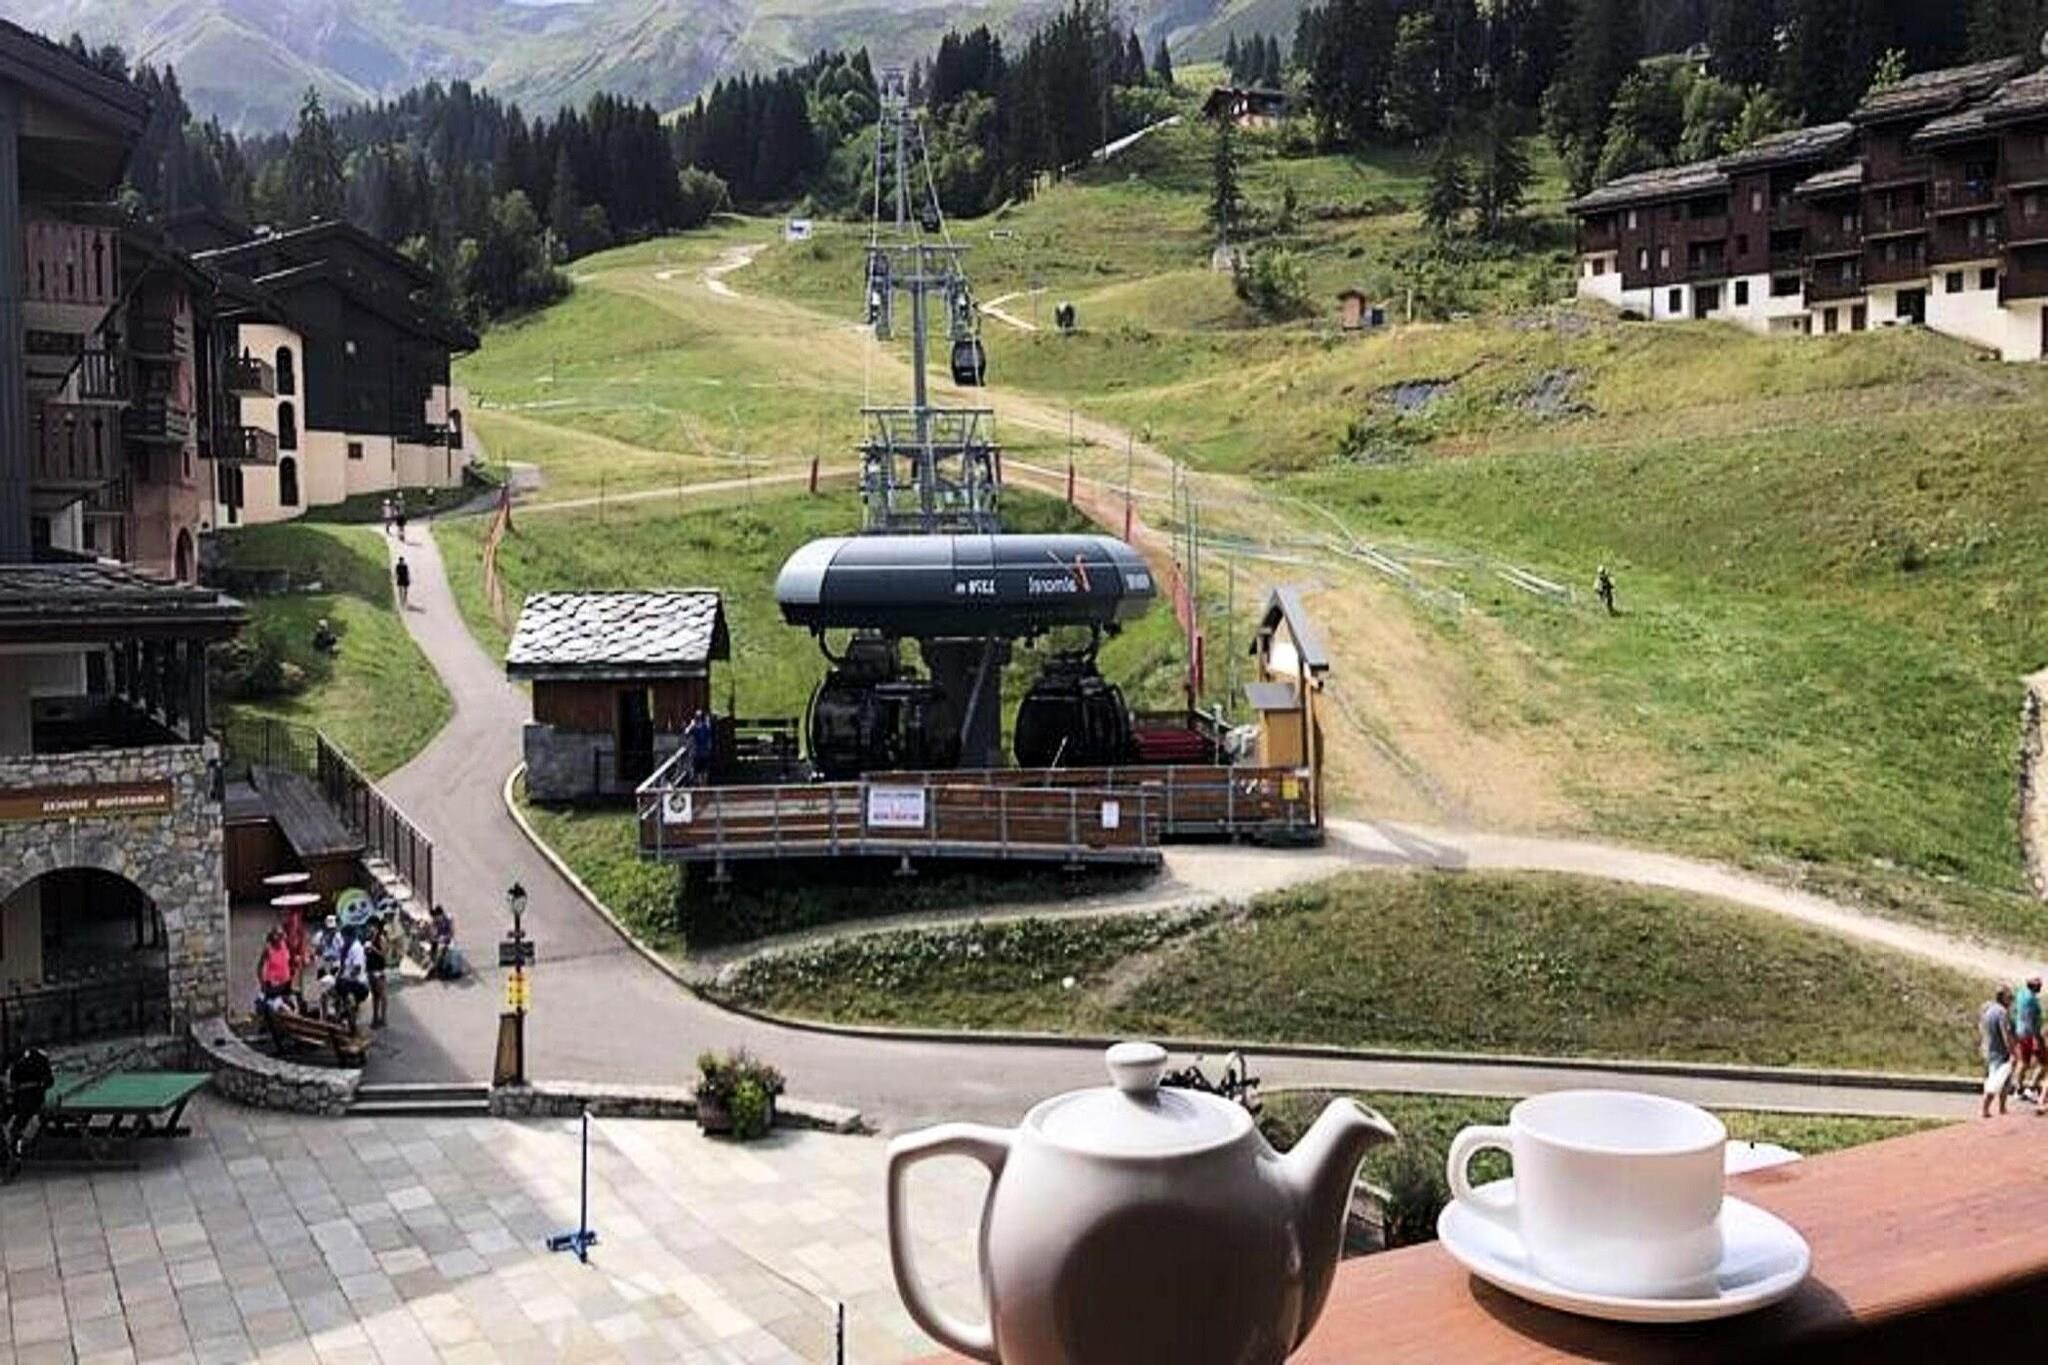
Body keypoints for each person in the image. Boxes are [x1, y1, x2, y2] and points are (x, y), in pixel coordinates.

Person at [1982, 986, 2017, 1117]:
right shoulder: (2002, 1013)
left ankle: (2002, 1107)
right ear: (2002, 997)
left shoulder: (1989, 1010)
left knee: (2006, 1080)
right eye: (2009, 997)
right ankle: (1985, 1109)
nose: (2011, 1000)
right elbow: (2005, 1034)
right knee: (1996, 1081)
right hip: (2001, 1052)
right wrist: (2012, 1052)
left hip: (1991, 1049)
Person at [2016, 975, 2045, 1103]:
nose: (2041, 985)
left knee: (2024, 1062)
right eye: (2038, 984)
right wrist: (2037, 1039)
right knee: (2044, 1062)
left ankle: (2019, 1089)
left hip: (2021, 1032)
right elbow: (2030, 1021)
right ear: (2033, 985)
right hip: (2030, 1034)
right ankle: (2031, 1088)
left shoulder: (2021, 994)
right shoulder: (2030, 999)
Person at [334, 926, 370, 1029]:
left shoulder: (356, 948)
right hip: (348, 980)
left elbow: (357, 969)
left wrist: (345, 976)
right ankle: (342, 1015)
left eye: (344, 937)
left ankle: (349, 1019)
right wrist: (339, 975)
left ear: (349, 936)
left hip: (358, 982)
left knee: (343, 989)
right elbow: (343, 966)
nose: (343, 939)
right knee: (335, 987)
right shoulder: (346, 947)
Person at [364, 916, 389, 1028]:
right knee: (375, 995)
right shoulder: (369, 938)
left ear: (376, 926)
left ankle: (383, 1018)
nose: (369, 928)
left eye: (371, 926)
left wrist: (373, 948)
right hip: (370, 969)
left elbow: (384, 954)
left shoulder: (381, 938)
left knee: (382, 994)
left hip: (379, 970)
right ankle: (375, 1017)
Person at [258, 928, 294, 1003]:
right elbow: (260, 967)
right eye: (279, 935)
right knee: (277, 1004)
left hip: (286, 984)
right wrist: (262, 983)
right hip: (273, 985)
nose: (281, 938)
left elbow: (289, 961)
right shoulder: (268, 949)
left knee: (291, 1002)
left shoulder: (284, 944)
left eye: (282, 935)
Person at [427, 903, 459, 980]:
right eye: (436, 917)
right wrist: (436, 938)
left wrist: (445, 937)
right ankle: (435, 967)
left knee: (447, 951)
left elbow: (451, 933)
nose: (437, 918)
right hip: (439, 942)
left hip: (447, 941)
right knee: (435, 950)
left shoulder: (447, 920)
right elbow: (433, 935)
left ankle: (442, 968)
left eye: (438, 916)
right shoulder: (434, 923)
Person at [687, 709, 716, 785]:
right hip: (705, 752)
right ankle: (704, 785)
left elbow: (686, 732)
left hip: (697, 752)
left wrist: (691, 724)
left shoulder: (695, 728)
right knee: (705, 770)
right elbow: (710, 736)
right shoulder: (706, 727)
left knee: (699, 771)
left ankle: (701, 786)